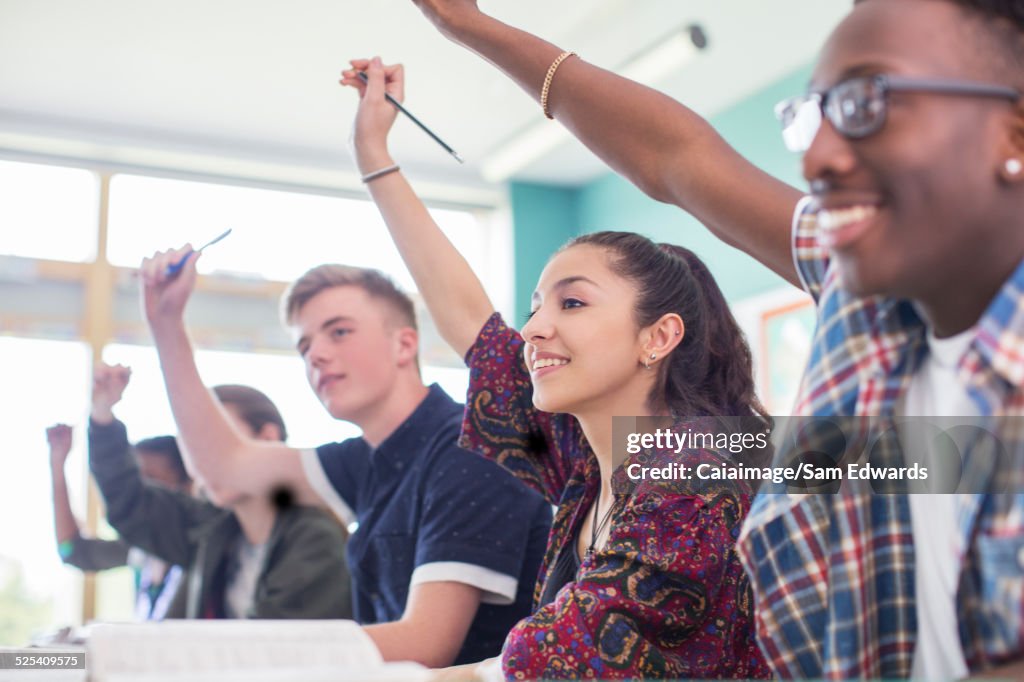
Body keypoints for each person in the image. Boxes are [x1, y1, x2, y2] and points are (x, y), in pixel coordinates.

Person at [409, 0, 1024, 679]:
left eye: (865, 103)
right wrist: (468, 26)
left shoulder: (703, 469)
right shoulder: (867, 310)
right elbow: (676, 156)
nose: (817, 157)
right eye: (810, 116)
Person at [341, 57, 772, 680]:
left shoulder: (695, 472)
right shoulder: (587, 463)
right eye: (535, 306)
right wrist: (373, 155)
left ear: (659, 337)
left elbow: (545, 661)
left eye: (572, 302)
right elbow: (471, 324)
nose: (534, 328)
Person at [138, 251, 551, 666]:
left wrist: (233, 652)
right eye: (304, 345)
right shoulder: (367, 458)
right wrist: (166, 326)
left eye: (338, 332)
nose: (314, 354)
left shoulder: (469, 449)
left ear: (404, 344)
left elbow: (426, 642)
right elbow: (223, 467)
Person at [88, 363, 352, 619]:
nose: (203, 461)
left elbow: (276, 652)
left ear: (268, 437)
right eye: (192, 448)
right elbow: (131, 503)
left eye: (216, 443)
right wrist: (102, 414)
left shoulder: (316, 539)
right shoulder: (213, 529)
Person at [47, 422, 190, 620]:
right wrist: (57, 465)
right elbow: (72, 550)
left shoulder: (200, 552)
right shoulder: (141, 551)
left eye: (150, 481)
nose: (133, 497)